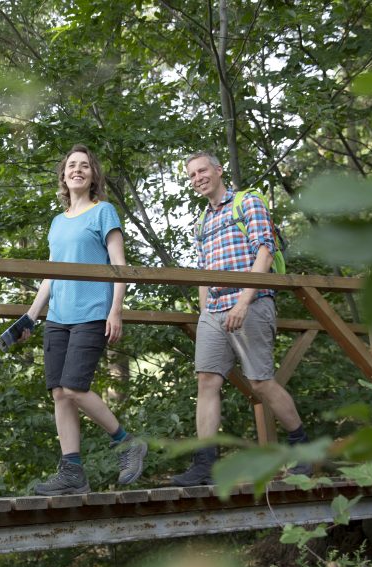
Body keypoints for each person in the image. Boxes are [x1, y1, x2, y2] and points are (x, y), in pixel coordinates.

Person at [172, 152, 309, 486]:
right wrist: (205, 312)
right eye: (191, 175)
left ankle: (302, 449)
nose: (197, 178)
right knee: (206, 380)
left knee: (260, 381)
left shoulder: (247, 202)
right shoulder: (201, 222)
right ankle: (205, 465)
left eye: (202, 171)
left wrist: (244, 301)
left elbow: (264, 250)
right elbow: (204, 271)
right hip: (214, 310)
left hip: (251, 302)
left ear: (218, 171)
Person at [22, 143, 148, 495]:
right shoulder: (57, 222)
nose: (77, 170)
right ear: (63, 175)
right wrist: (31, 316)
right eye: (71, 165)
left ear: (93, 176)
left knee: (75, 387)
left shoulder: (103, 211)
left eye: (85, 166)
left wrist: (116, 309)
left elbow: (119, 265)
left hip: (92, 312)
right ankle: (72, 472)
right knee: (60, 394)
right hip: (58, 316)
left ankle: (127, 443)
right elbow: (50, 274)